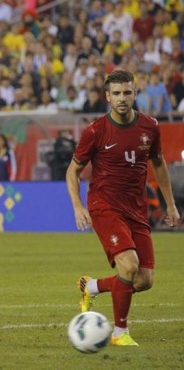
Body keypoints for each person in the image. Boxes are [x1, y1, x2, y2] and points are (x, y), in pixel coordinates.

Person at [66, 69, 180, 347]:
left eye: (127, 92)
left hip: (136, 208)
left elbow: (159, 165)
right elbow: (73, 171)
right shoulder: (96, 131)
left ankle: (91, 286)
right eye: (116, 93)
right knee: (128, 266)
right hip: (105, 205)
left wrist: (171, 204)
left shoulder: (150, 127)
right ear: (107, 97)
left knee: (144, 280)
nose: (122, 98)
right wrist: (78, 206)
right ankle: (119, 333)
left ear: (135, 94)